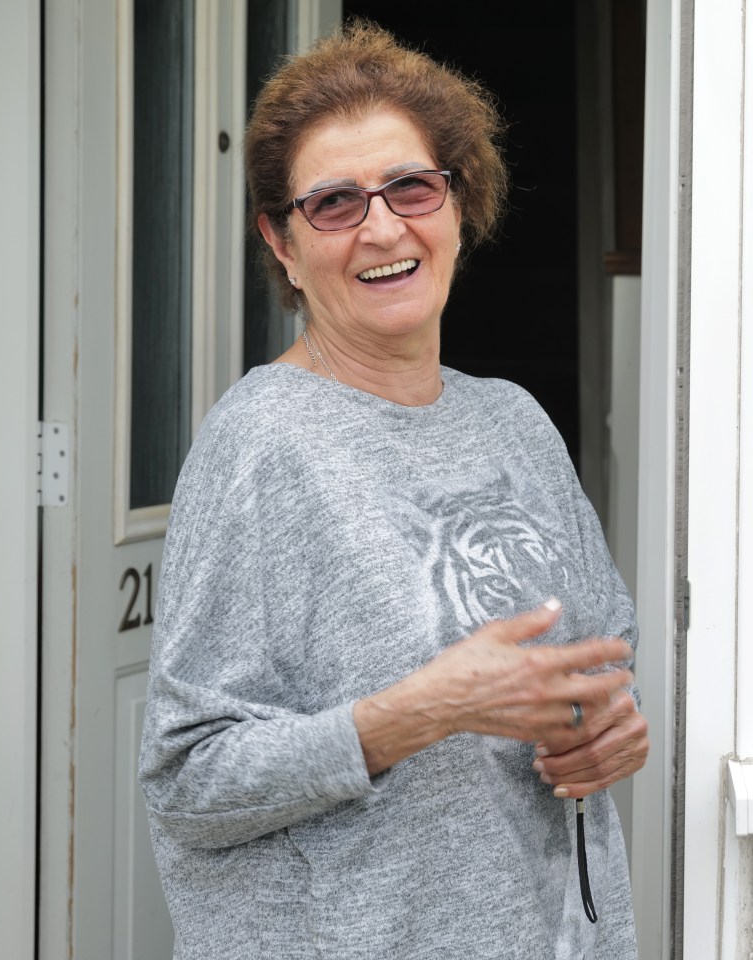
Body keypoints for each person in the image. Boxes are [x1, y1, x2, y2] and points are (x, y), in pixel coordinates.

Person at [138, 18, 649, 960]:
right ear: (281, 243)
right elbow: (186, 780)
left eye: (410, 187)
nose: (381, 226)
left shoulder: (512, 421)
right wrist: (418, 712)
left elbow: (605, 655)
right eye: (332, 203)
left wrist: (609, 730)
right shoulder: (262, 445)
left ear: (459, 205)